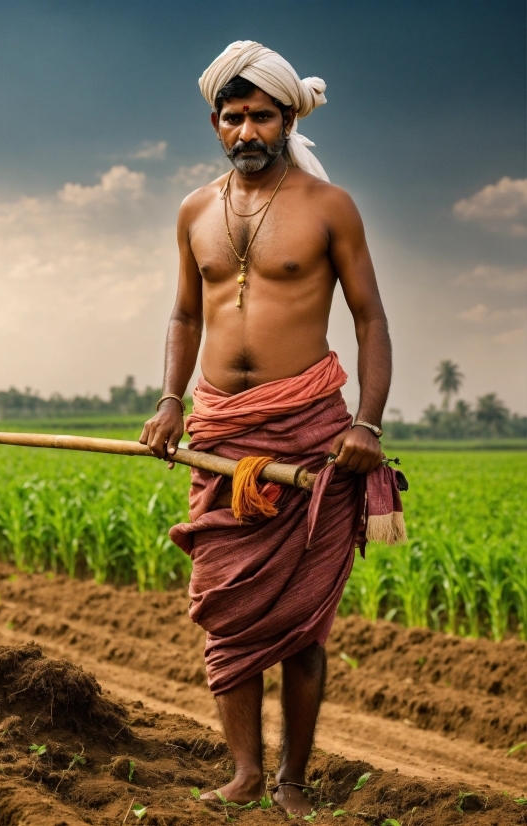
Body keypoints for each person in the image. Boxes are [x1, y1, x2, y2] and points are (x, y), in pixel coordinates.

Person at [140, 41, 405, 817]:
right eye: (233, 117)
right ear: (216, 123)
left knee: (301, 622)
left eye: (261, 115)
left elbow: (371, 319)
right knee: (228, 612)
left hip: (310, 437)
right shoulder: (195, 210)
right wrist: (169, 400)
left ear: (288, 118)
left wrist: (367, 423)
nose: (247, 130)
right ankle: (245, 776)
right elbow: (185, 314)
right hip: (220, 435)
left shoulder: (331, 208)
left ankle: (290, 781)